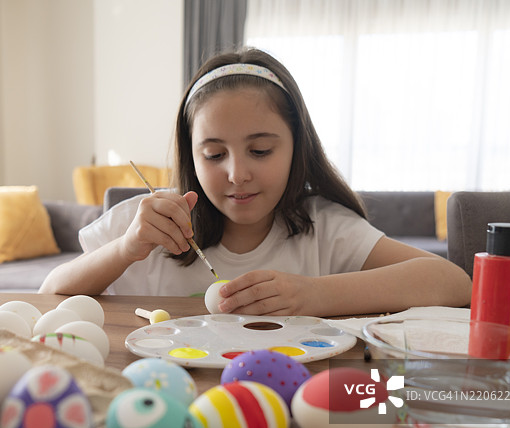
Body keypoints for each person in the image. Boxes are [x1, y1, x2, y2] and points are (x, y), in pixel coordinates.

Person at [40, 47, 472, 316]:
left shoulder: (322, 228)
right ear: (191, 155)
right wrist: (125, 249)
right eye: (213, 155)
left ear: (295, 147)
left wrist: (313, 296)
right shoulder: (148, 224)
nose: (237, 173)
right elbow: (49, 293)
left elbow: (453, 283)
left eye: (260, 150)